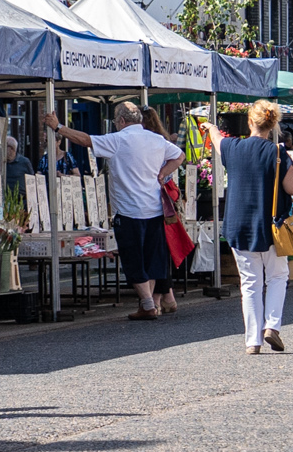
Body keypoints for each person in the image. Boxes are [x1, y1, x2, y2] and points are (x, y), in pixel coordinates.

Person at [42, 100, 186, 318]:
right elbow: (180, 156)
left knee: (132, 257)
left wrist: (58, 127)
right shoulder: (157, 140)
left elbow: (85, 140)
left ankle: (147, 303)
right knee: (151, 258)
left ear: (120, 121)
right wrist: (163, 173)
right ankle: (149, 304)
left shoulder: (118, 139)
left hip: (129, 211)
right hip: (155, 209)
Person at [221, 100, 293, 352]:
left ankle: (252, 341)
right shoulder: (277, 152)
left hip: (239, 226)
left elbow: (216, 137)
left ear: (249, 122)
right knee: (278, 276)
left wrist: (212, 127)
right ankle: (272, 326)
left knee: (249, 283)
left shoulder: (231, 147)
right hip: (271, 227)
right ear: (273, 125)